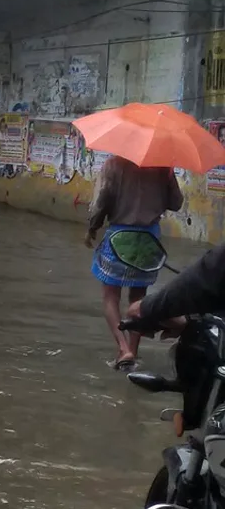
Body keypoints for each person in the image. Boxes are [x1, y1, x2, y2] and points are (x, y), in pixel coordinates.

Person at [86, 155, 183, 371]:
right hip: (149, 241)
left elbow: (102, 201)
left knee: (111, 297)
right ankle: (133, 352)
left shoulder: (113, 164)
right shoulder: (163, 166)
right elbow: (176, 203)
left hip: (119, 237)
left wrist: (92, 227)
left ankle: (123, 349)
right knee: (138, 298)